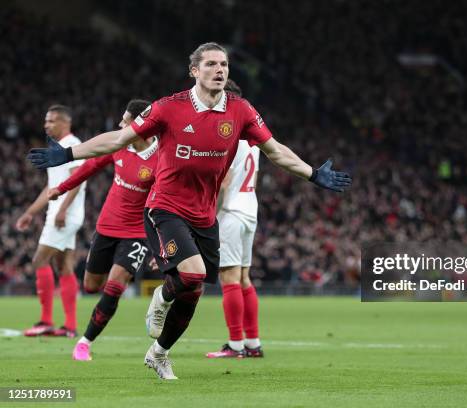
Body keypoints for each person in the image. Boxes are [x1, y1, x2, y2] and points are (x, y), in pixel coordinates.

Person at [27, 42, 352, 380]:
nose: (219, 70)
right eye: (211, 64)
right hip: (165, 208)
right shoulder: (169, 108)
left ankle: (160, 353)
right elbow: (119, 139)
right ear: (194, 71)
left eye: (224, 64)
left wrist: (312, 173)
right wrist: (69, 154)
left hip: (204, 216)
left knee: (195, 290)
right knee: (192, 274)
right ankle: (161, 300)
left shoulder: (240, 110)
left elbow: (275, 150)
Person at [46, 99, 159, 361]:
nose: (120, 125)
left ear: (140, 125)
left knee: (115, 286)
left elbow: (165, 203)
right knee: (91, 285)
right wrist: (59, 190)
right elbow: (89, 167)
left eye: (125, 121)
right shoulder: (118, 146)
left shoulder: (160, 158)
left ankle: (84, 343)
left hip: (137, 233)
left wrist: (159, 243)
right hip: (107, 227)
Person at [205, 79, 263, 359]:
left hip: (230, 213)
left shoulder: (227, 136)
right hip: (250, 211)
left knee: (228, 278)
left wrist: (208, 217)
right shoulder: (254, 140)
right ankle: (253, 343)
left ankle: (235, 344)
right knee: (243, 279)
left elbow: (225, 182)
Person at [17, 105, 85, 338]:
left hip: (64, 215)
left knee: (39, 261)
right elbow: (51, 186)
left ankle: (46, 320)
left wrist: (63, 210)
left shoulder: (72, 144)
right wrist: (30, 212)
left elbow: (78, 179)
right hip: (61, 213)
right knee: (64, 266)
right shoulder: (58, 148)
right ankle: (70, 326)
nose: (46, 125)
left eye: (52, 121)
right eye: (46, 121)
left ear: (65, 122)